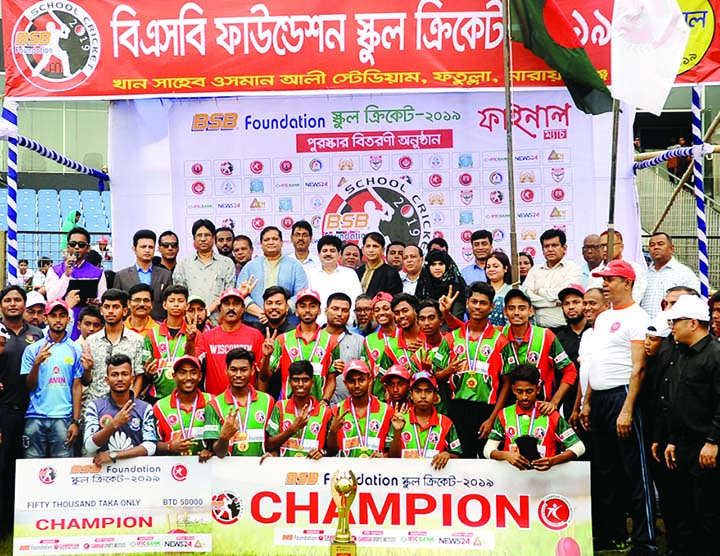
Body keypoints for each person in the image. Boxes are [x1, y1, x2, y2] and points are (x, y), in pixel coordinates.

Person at [580, 259, 656, 555]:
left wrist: (627, 409)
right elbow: (596, 362)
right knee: (606, 470)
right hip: (598, 398)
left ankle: (645, 541)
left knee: (634, 471)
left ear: (627, 282)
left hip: (623, 397)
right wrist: (587, 401)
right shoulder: (602, 318)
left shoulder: (638, 317)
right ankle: (613, 534)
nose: (605, 285)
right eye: (603, 279)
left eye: (610, 279)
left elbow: (639, 368)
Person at [660, 295, 720, 556]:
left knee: (707, 513)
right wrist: (672, 438)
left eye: (676, 321)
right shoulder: (682, 354)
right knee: (683, 510)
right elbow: (677, 400)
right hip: (682, 446)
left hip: (706, 447)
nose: (672, 326)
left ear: (693, 323)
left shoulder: (715, 355)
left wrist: (713, 442)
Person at [433, 281, 509, 459]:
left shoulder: (501, 340)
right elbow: (437, 377)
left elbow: (507, 383)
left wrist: (493, 418)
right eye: (474, 301)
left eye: (483, 303)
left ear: (491, 307)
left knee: (488, 460)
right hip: (458, 407)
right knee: (461, 459)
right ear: (467, 303)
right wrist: (448, 371)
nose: (477, 306)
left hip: (488, 409)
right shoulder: (451, 338)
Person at [484, 364, 585, 470]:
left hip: (545, 479)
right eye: (519, 391)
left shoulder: (550, 414)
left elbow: (579, 447)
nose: (524, 397)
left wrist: (553, 461)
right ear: (513, 389)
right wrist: (506, 455)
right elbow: (488, 449)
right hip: (512, 480)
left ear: (538, 389)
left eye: (529, 391)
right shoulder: (504, 414)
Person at [0, 286, 41, 537]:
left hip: (31, 411)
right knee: (2, 468)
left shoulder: (37, 334)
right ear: (1, 305)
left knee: (23, 470)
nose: (13, 303)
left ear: (24, 304)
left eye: (17, 299)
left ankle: (20, 526)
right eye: (7, 300)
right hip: (3, 411)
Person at [20, 300, 86, 458]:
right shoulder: (33, 349)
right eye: (53, 316)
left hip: (63, 418)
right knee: (33, 469)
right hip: (35, 417)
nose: (58, 320)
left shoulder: (75, 348)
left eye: (62, 316)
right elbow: (29, 386)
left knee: (62, 470)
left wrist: (75, 422)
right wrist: (36, 364)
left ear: (68, 319)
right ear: (46, 318)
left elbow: (77, 387)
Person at [500, 288, 578, 415]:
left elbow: (570, 371)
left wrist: (554, 402)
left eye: (521, 308)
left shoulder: (545, 336)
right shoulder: (499, 336)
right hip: (509, 412)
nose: (516, 313)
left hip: (541, 410)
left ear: (531, 311)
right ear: (505, 312)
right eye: (511, 308)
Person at [263, 288, 339, 403]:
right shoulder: (282, 339)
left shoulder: (331, 341)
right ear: (297, 311)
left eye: (312, 306)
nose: (307, 310)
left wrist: (325, 400)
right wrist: (267, 357)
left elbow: (331, 379)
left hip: (318, 411)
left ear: (319, 310)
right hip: (288, 409)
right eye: (303, 306)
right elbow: (265, 377)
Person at [83, 353, 157, 465]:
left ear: (132, 378)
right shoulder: (95, 406)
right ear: (107, 380)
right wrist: (113, 425)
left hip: (137, 472)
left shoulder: (145, 408)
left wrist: (114, 455)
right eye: (114, 375)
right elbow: (89, 446)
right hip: (104, 473)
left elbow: (150, 446)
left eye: (124, 374)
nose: (120, 379)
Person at [84, 289, 145, 415]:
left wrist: (132, 403)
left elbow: (139, 376)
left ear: (125, 311)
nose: (110, 311)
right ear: (101, 310)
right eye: (106, 307)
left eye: (115, 307)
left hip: (126, 408)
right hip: (97, 407)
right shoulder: (90, 341)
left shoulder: (137, 340)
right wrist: (87, 369)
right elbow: (85, 380)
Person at [204, 348, 273, 457]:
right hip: (228, 471)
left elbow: (272, 443)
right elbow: (218, 453)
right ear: (226, 370)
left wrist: (272, 455)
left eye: (244, 369)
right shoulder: (214, 405)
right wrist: (224, 437)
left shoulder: (268, 401)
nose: (238, 374)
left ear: (252, 371)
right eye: (233, 369)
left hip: (260, 470)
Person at [194, 288, 264, 396]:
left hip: (247, 405)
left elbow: (262, 376)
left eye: (236, 304)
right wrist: (190, 341)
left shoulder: (256, 336)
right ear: (220, 308)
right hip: (215, 405)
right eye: (226, 304)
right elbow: (192, 364)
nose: (231, 307)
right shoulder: (207, 337)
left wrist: (260, 402)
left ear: (243, 308)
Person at [388, 371, 462, 467]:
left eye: (428, 391)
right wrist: (397, 432)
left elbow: (458, 456)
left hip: (435, 478)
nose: (423, 396)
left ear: (435, 395)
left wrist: (447, 455)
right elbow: (392, 458)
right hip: (406, 477)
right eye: (418, 391)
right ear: (411, 394)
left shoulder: (445, 422)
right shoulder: (400, 420)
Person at [45, 226, 107, 339]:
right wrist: (66, 275)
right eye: (73, 244)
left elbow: (103, 300)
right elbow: (51, 298)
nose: (77, 247)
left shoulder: (98, 273)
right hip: (62, 323)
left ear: (88, 248)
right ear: (68, 247)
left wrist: (96, 303)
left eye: (81, 245)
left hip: (88, 325)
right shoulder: (55, 271)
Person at [238, 226, 308, 324]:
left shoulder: (295, 266)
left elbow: (301, 294)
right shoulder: (249, 267)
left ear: (282, 242)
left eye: (275, 239)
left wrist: (279, 313)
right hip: (255, 322)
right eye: (266, 240)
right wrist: (261, 313)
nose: (271, 242)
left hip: (287, 323)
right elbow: (240, 295)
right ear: (261, 244)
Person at [326, 359, 393, 457]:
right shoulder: (337, 410)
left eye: (361, 380)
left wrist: (384, 458)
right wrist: (333, 431)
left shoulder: (386, 410)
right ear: (345, 383)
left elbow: (393, 453)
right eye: (351, 381)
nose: (357, 385)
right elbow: (331, 452)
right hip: (346, 471)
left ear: (369, 379)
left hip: (376, 471)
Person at [142, 285, 198, 402]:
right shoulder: (151, 334)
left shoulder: (195, 333)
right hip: (156, 396)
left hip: (186, 396)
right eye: (172, 301)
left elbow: (194, 364)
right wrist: (148, 373)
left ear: (187, 305)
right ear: (164, 305)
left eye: (180, 301)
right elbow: (146, 369)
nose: (176, 304)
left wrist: (190, 340)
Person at [265, 360, 332, 458]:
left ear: (312, 383)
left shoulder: (325, 412)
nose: (300, 384)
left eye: (305, 380)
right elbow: (269, 445)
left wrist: (322, 453)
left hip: (314, 471)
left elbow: (332, 450)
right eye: (296, 380)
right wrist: (292, 429)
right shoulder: (280, 407)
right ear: (290, 382)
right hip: (285, 470)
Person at [174, 219, 236, 323]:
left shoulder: (226, 263)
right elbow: (180, 297)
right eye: (199, 235)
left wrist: (207, 312)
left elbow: (228, 295)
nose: (203, 239)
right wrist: (197, 315)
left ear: (213, 238)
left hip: (219, 323)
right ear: (194, 239)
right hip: (191, 324)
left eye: (207, 235)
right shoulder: (183, 264)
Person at [153, 355, 212, 458]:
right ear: (174, 376)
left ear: (200, 376)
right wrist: (169, 446)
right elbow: (151, 445)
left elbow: (222, 438)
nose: (188, 378)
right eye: (182, 373)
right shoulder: (160, 407)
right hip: (172, 470)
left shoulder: (211, 402)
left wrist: (211, 451)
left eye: (193, 373)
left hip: (205, 468)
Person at [523, 229, 583, 328]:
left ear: (564, 248)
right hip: (536, 330)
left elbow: (566, 294)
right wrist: (555, 303)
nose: (550, 249)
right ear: (542, 250)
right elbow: (526, 297)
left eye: (554, 245)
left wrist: (540, 292)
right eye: (546, 246)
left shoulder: (573, 269)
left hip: (562, 329)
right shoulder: (534, 270)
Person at [551, 284, 591, 421]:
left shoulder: (595, 331)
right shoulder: (559, 338)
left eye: (576, 302)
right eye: (566, 303)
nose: (571, 307)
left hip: (593, 397)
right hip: (568, 400)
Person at [114, 229, 173, 322]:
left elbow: (170, 303)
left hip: (158, 326)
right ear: (134, 249)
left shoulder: (165, 275)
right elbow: (117, 304)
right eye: (143, 247)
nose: (147, 250)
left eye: (150, 247)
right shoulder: (122, 276)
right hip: (130, 327)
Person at [641, 232, 700, 318]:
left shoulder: (684, 274)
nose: (656, 247)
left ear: (671, 248)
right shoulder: (644, 275)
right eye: (652, 245)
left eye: (660, 244)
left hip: (672, 327)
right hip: (645, 328)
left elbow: (694, 302)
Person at [306, 235, 362, 325]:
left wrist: (349, 320)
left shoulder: (350, 274)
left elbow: (357, 301)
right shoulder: (310, 274)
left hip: (345, 326)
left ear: (339, 254)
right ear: (318, 254)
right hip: (317, 326)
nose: (328, 254)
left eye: (332, 251)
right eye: (324, 251)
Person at [323, 293, 364, 404]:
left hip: (349, 406)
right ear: (326, 310)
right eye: (335, 309)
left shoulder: (360, 341)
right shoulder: (315, 340)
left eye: (345, 310)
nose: (339, 314)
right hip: (318, 406)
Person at [593, 230, 647, 303]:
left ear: (621, 247)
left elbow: (635, 297)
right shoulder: (595, 272)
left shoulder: (635, 269)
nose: (605, 249)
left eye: (609, 245)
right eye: (602, 246)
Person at [415, 249, 466, 323]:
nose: (437, 268)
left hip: (451, 331)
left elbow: (457, 316)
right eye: (433, 264)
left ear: (447, 265)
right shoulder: (423, 286)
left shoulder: (456, 288)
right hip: (426, 330)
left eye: (441, 264)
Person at [356, 232, 403, 298]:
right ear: (363, 250)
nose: (371, 250)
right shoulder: (357, 272)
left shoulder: (391, 274)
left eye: (375, 246)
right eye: (368, 246)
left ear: (383, 250)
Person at [362, 292, 397, 377]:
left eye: (385, 309)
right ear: (373, 314)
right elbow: (367, 371)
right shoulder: (368, 340)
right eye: (377, 310)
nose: (381, 313)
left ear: (394, 311)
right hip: (377, 389)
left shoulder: (405, 334)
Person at [485, 251, 513, 327]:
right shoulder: (482, 291)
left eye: (495, 266)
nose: (491, 269)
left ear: (505, 268)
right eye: (488, 267)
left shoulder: (514, 290)